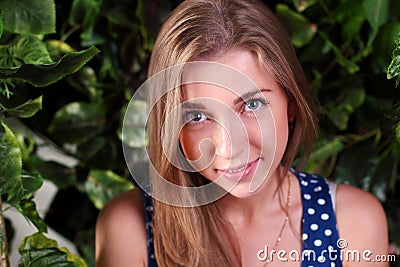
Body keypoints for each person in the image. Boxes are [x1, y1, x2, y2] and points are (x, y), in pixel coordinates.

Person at [95, 0, 389, 266]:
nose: (229, 146)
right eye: (197, 116)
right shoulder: (129, 226)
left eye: (251, 104)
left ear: (291, 104)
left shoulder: (351, 223)